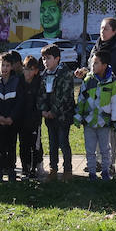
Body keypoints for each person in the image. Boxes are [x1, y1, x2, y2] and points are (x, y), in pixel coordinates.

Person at [80, 18, 116, 174]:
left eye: (105, 29)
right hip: (94, 96)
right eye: (101, 28)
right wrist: (83, 73)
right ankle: (97, 162)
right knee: (96, 128)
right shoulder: (97, 46)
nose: (102, 32)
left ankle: (110, 163)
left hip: (112, 96)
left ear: (114, 31)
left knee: (110, 131)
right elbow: (92, 69)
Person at [76, 50, 116, 180]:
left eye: (96, 63)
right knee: (90, 149)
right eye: (92, 63)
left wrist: (115, 120)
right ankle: (91, 173)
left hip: (104, 122)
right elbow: (81, 99)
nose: (92, 65)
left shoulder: (113, 82)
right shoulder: (88, 80)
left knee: (105, 149)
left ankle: (106, 172)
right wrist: (78, 116)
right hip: (89, 121)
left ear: (104, 65)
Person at [39, 43, 75, 178]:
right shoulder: (44, 75)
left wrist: (54, 111)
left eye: (48, 58)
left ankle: (67, 169)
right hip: (49, 116)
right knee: (52, 143)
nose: (45, 61)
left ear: (57, 58)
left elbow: (64, 96)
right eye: (43, 59)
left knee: (63, 142)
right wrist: (43, 110)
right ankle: (53, 168)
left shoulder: (65, 74)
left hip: (63, 116)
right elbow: (41, 94)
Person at [0, 50, 24, 182]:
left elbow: (19, 102)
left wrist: (11, 118)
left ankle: (11, 171)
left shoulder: (17, 81)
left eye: (7, 65)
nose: (5, 68)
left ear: (12, 67)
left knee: (11, 146)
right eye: (2, 65)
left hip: (12, 122)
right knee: (0, 147)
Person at [18, 55, 44, 179]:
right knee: (23, 145)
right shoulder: (19, 81)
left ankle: (34, 168)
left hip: (35, 120)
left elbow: (41, 101)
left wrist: (37, 117)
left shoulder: (39, 82)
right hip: (21, 120)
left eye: (31, 69)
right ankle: (25, 168)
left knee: (35, 146)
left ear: (36, 71)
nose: (27, 72)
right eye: (25, 68)